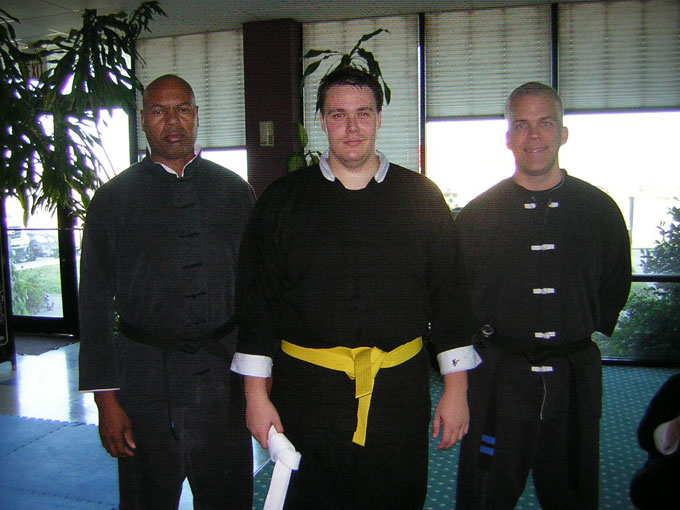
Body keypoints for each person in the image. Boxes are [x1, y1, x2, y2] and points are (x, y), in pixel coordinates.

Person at [230, 66, 479, 510]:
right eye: (338, 115)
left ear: (379, 118)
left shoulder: (421, 197)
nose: (352, 127)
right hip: (306, 392)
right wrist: (255, 397)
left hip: (398, 392)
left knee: (396, 498)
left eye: (363, 113)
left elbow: (450, 299)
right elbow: (258, 305)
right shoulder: (282, 200)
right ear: (322, 121)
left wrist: (456, 391)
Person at [78, 74, 255, 509]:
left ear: (196, 115)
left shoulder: (236, 192)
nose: (172, 121)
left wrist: (261, 383)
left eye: (182, 110)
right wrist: (106, 402)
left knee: (229, 498)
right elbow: (94, 304)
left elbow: (257, 294)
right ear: (143, 119)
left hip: (223, 380)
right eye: (159, 111)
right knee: (147, 499)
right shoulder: (112, 199)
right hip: (142, 383)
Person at [454, 82, 632, 509]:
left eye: (545, 123)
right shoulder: (477, 215)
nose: (533, 136)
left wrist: (575, 328)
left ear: (563, 133)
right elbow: (458, 298)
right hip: (498, 377)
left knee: (573, 491)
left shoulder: (600, 209)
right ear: (508, 137)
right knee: (485, 492)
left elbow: (615, 283)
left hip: (574, 377)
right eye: (521, 125)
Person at [630, 372, 680, 509]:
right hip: (671, 465)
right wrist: (672, 428)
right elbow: (645, 436)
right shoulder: (676, 385)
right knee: (647, 485)